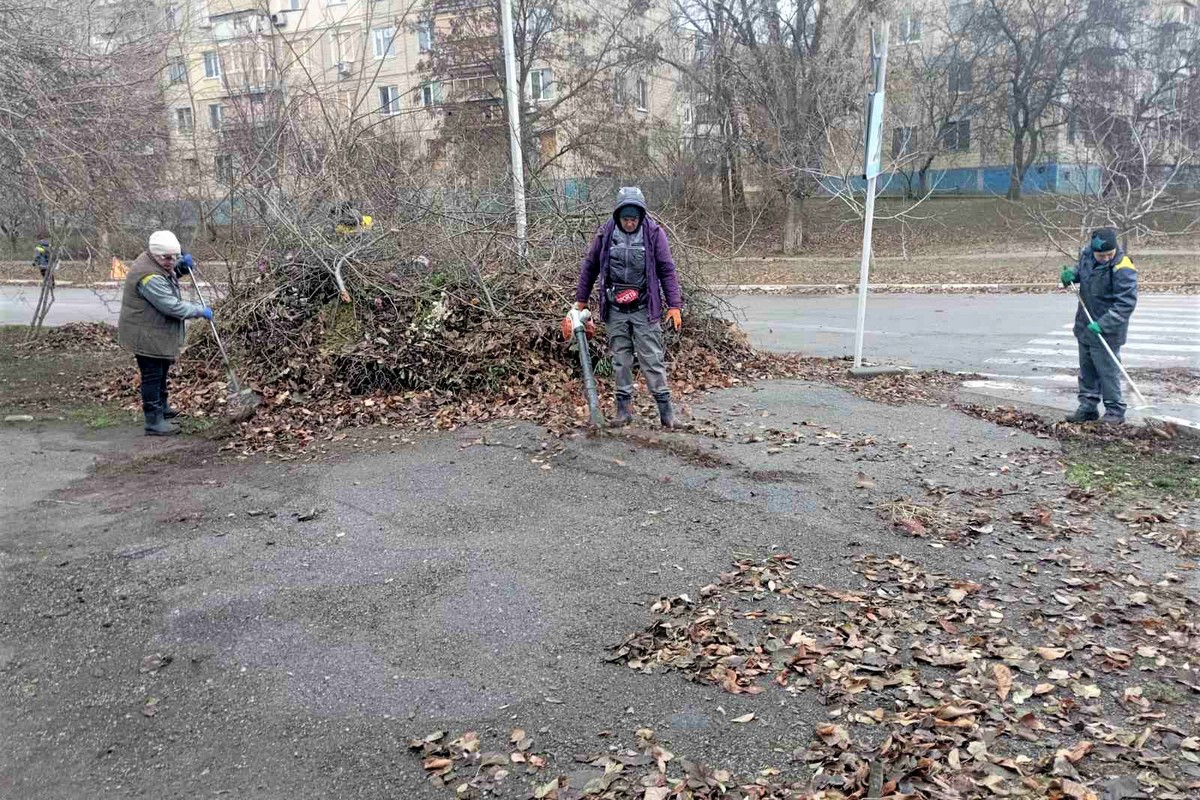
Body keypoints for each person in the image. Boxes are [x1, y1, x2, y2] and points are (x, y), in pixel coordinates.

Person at [572, 186, 684, 429]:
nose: (630, 223)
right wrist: (581, 300)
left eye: (634, 218)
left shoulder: (654, 234)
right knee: (620, 360)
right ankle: (623, 411)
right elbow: (590, 266)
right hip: (616, 309)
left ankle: (667, 414)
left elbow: (666, 270)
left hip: (645, 307)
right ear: (618, 216)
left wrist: (674, 305)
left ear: (641, 215)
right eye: (626, 218)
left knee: (652, 359)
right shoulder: (606, 233)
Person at [117, 230, 212, 436]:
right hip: (145, 334)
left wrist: (179, 268)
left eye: (174, 257)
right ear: (156, 254)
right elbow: (172, 307)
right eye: (167, 258)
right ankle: (153, 420)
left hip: (154, 331)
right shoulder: (148, 276)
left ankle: (163, 408)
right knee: (152, 375)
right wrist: (199, 311)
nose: (170, 261)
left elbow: (166, 273)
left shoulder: (154, 261)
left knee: (161, 370)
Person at [1060, 227, 1138, 424]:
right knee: (1087, 370)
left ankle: (1115, 410)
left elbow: (1126, 303)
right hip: (1085, 325)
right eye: (1100, 255)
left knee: (1107, 372)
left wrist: (1103, 324)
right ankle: (1087, 407)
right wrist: (1070, 276)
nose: (1104, 258)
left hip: (1107, 330)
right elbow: (1080, 272)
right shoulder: (1087, 255)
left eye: (1108, 255)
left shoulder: (1123, 267)